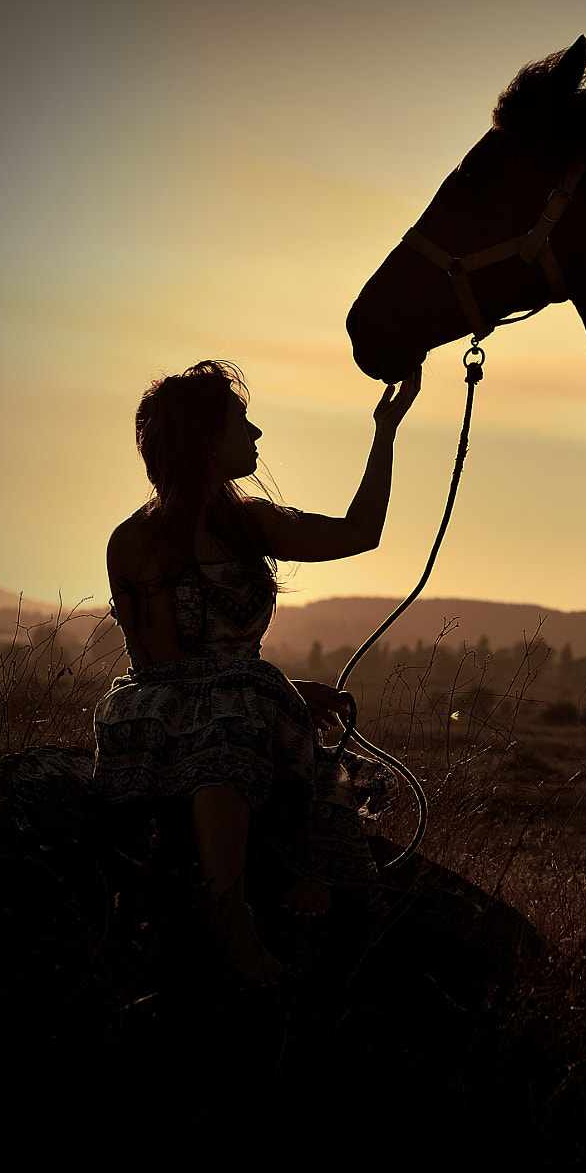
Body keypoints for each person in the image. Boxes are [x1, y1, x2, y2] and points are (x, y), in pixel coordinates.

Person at [89, 359, 422, 984]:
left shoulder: (252, 524)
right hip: (165, 708)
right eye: (241, 421)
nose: (257, 435)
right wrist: (271, 690)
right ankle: (230, 917)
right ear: (205, 441)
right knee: (232, 724)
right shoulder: (136, 541)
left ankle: (298, 869)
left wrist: (386, 432)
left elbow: (360, 532)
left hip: (241, 695)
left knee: (269, 726)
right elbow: (162, 664)